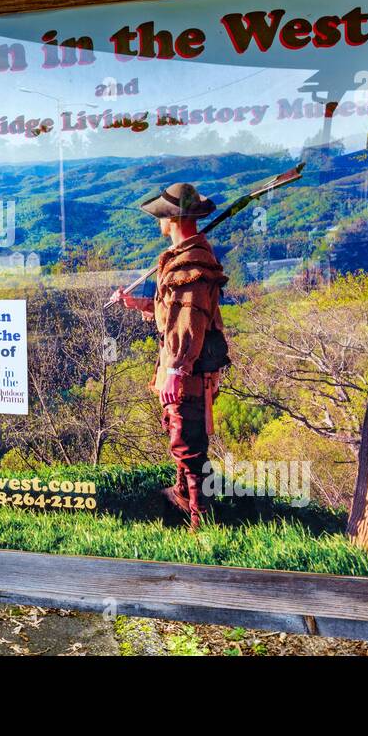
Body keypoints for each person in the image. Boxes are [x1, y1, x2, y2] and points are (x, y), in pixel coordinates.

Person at [110, 182, 229, 528]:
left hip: (187, 369)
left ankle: (201, 519)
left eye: (163, 216)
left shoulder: (190, 265)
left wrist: (177, 370)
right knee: (180, 434)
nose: (158, 222)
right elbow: (171, 312)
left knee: (189, 442)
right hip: (181, 366)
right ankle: (182, 495)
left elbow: (188, 321)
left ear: (172, 219)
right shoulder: (183, 261)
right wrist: (138, 305)